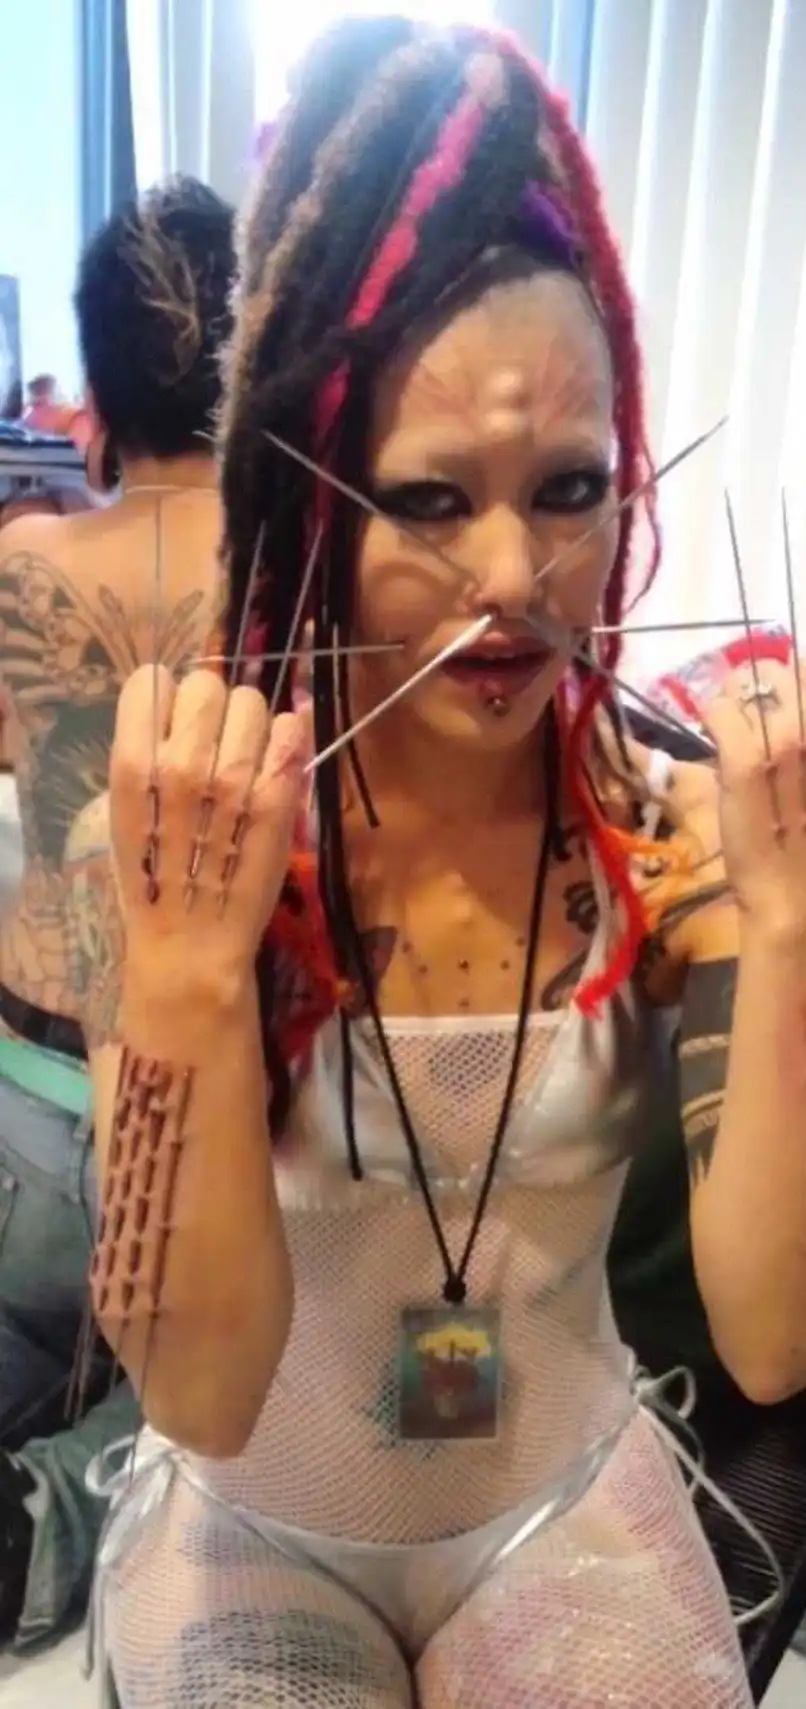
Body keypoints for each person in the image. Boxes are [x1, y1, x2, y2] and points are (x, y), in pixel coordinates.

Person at [68, 18, 806, 1706]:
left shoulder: (665, 849)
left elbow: (781, 1344)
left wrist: (799, 913)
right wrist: (194, 967)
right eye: (430, 500)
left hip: (557, 1500)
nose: (515, 575)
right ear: (307, 502)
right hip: (260, 1517)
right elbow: (198, 1392)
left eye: (570, 488)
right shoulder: (192, 857)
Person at [0, 175, 233, 1651]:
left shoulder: (21, 564)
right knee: (219, 1405)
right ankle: (71, 1504)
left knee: (46, 1327)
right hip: (211, 1111)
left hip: (32, 1090)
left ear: (92, 391)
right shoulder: (307, 579)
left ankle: (55, 1468)